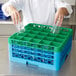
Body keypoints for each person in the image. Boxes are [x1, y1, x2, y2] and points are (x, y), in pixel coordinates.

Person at [2, 0, 73, 28]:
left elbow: (67, 8)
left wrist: (62, 10)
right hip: (28, 35)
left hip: (48, 35)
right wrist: (10, 8)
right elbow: (7, 6)